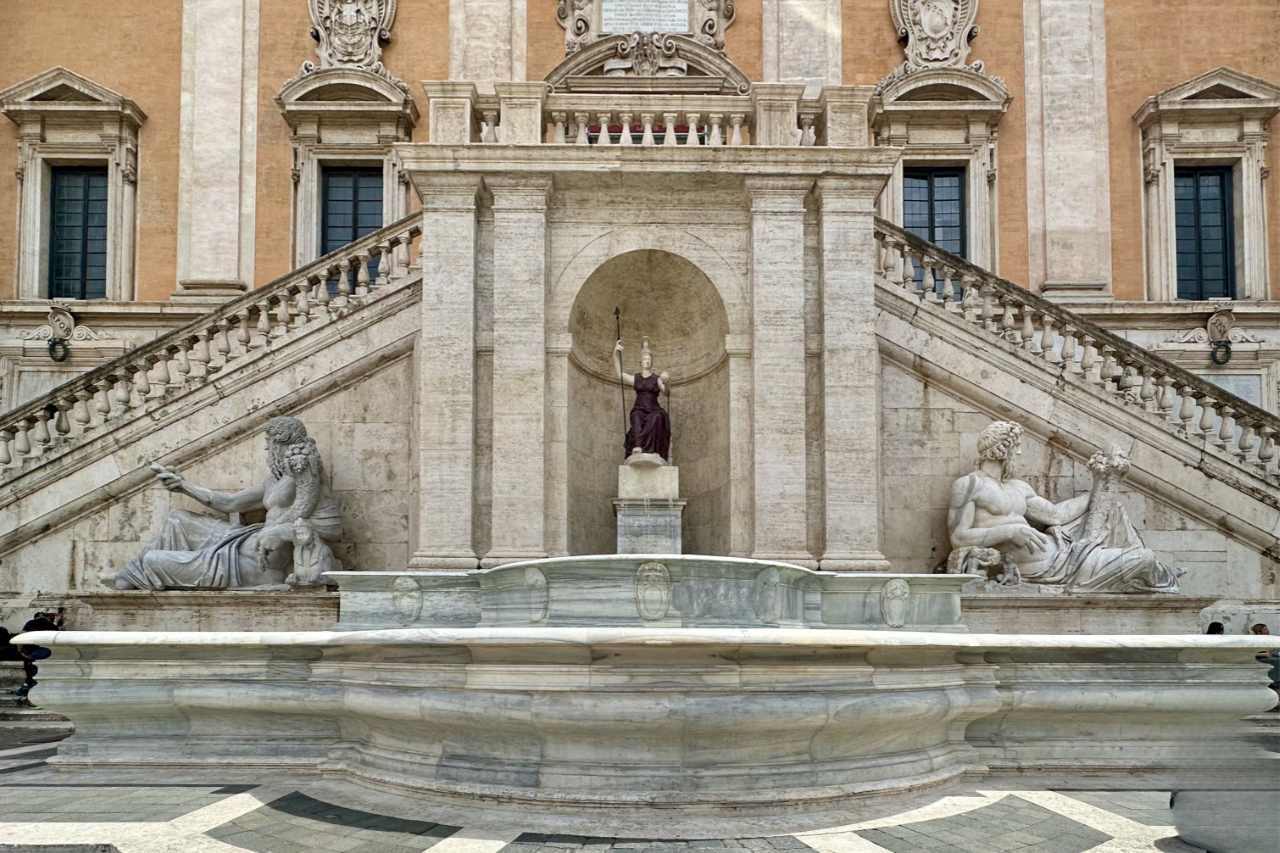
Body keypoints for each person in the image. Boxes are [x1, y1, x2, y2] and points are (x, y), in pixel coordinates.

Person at [104, 417, 342, 590]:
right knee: (178, 520)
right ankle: (135, 572)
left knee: (152, 561)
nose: (267, 452)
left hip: (247, 565)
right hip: (238, 542)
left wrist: (282, 531)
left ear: (281, 447)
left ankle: (134, 574)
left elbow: (331, 528)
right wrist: (183, 486)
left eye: (270, 446)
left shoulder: (307, 481)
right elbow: (230, 502)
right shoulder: (274, 481)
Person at [947, 420, 1181, 593]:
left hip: (1066, 555)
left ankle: (1157, 577)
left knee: (1126, 528)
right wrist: (1009, 531)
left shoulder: (1019, 487)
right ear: (1002, 450)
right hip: (1046, 568)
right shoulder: (970, 485)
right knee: (1144, 559)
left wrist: (1102, 484)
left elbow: (1057, 515)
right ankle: (1159, 578)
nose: (1019, 453)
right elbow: (958, 537)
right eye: (1016, 447)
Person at [613, 337, 671, 461]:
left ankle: (652, 451)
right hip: (639, 408)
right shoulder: (636, 378)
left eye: (649, 359)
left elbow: (666, 393)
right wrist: (615, 353)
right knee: (636, 417)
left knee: (657, 417)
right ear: (640, 362)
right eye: (645, 359)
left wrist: (667, 381)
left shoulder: (657, 378)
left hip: (654, 409)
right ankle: (638, 446)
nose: (647, 361)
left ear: (652, 362)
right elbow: (619, 375)